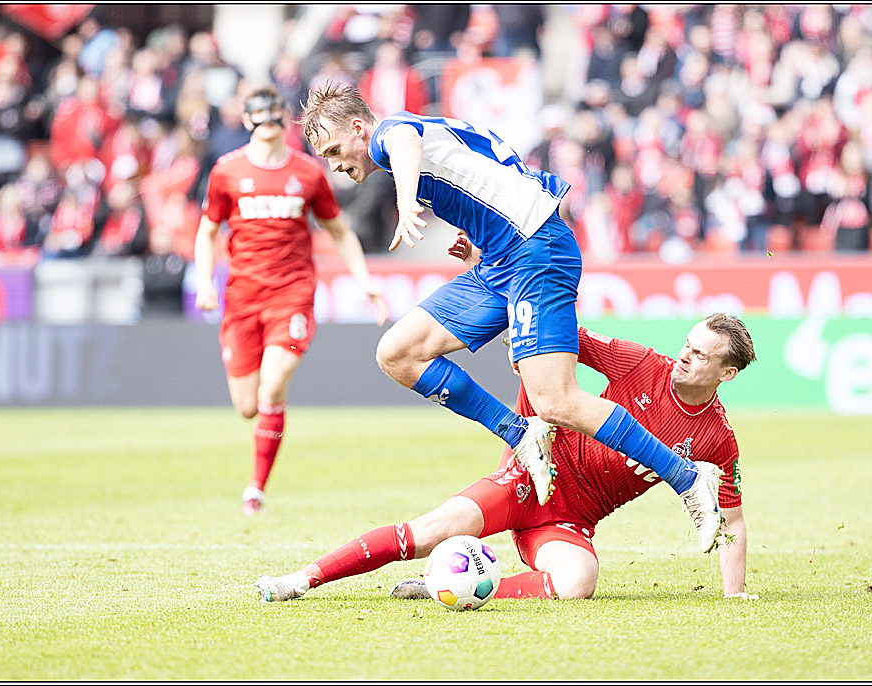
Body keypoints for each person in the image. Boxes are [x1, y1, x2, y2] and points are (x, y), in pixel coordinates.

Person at [298, 83, 724, 552]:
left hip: (534, 253)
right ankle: (520, 434)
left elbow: (402, 142)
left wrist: (404, 202)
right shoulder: (431, 131)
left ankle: (687, 478)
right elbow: (503, 167)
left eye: (335, 149)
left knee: (557, 401)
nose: (335, 164)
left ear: (359, 128)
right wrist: (478, 235)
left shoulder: (391, 135)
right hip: (501, 259)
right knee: (397, 354)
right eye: (326, 156)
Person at [255, 313, 758, 603]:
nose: (683, 356)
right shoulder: (642, 362)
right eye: (686, 345)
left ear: (726, 374)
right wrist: (527, 352)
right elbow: (564, 340)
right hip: (530, 474)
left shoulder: (718, 437)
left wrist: (733, 595)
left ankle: (449, 585)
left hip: (568, 521)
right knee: (428, 532)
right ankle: (300, 581)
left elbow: (731, 519)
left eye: (699, 354)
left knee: (579, 582)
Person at [195, 86, 389, 516]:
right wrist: (205, 282)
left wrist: (365, 281)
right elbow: (208, 231)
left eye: (273, 110)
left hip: (292, 294)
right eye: (258, 112)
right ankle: (263, 447)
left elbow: (339, 231)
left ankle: (256, 489)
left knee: (273, 383)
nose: (266, 118)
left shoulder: (307, 172)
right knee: (248, 406)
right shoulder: (226, 171)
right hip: (242, 298)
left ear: (285, 116)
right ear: (246, 120)